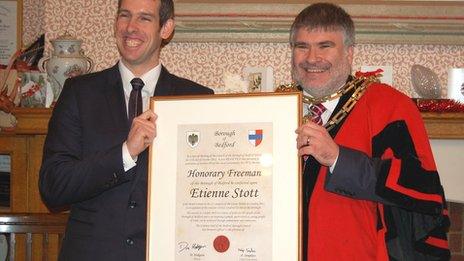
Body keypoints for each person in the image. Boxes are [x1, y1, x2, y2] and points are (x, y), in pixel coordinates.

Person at [39, 0, 213, 260]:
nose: (131, 27)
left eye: (144, 18)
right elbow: (53, 187)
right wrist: (124, 153)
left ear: (165, 28)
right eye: (124, 16)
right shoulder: (79, 93)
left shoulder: (196, 98)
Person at [290, 3, 450, 260]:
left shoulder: (390, 105)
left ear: (349, 53)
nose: (311, 58)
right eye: (302, 46)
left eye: (325, 46)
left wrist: (338, 159)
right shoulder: (273, 106)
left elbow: (424, 189)